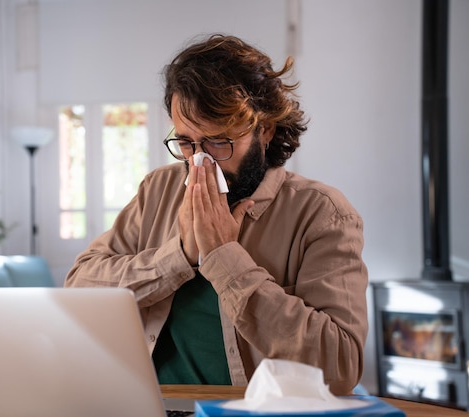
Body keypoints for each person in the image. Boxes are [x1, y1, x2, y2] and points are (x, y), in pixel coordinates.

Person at [65, 34, 368, 395]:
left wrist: (224, 258)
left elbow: (340, 366)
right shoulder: (158, 190)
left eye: (218, 142)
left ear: (265, 129)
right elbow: (80, 286)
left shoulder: (322, 213)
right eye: (186, 142)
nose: (199, 162)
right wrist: (179, 257)